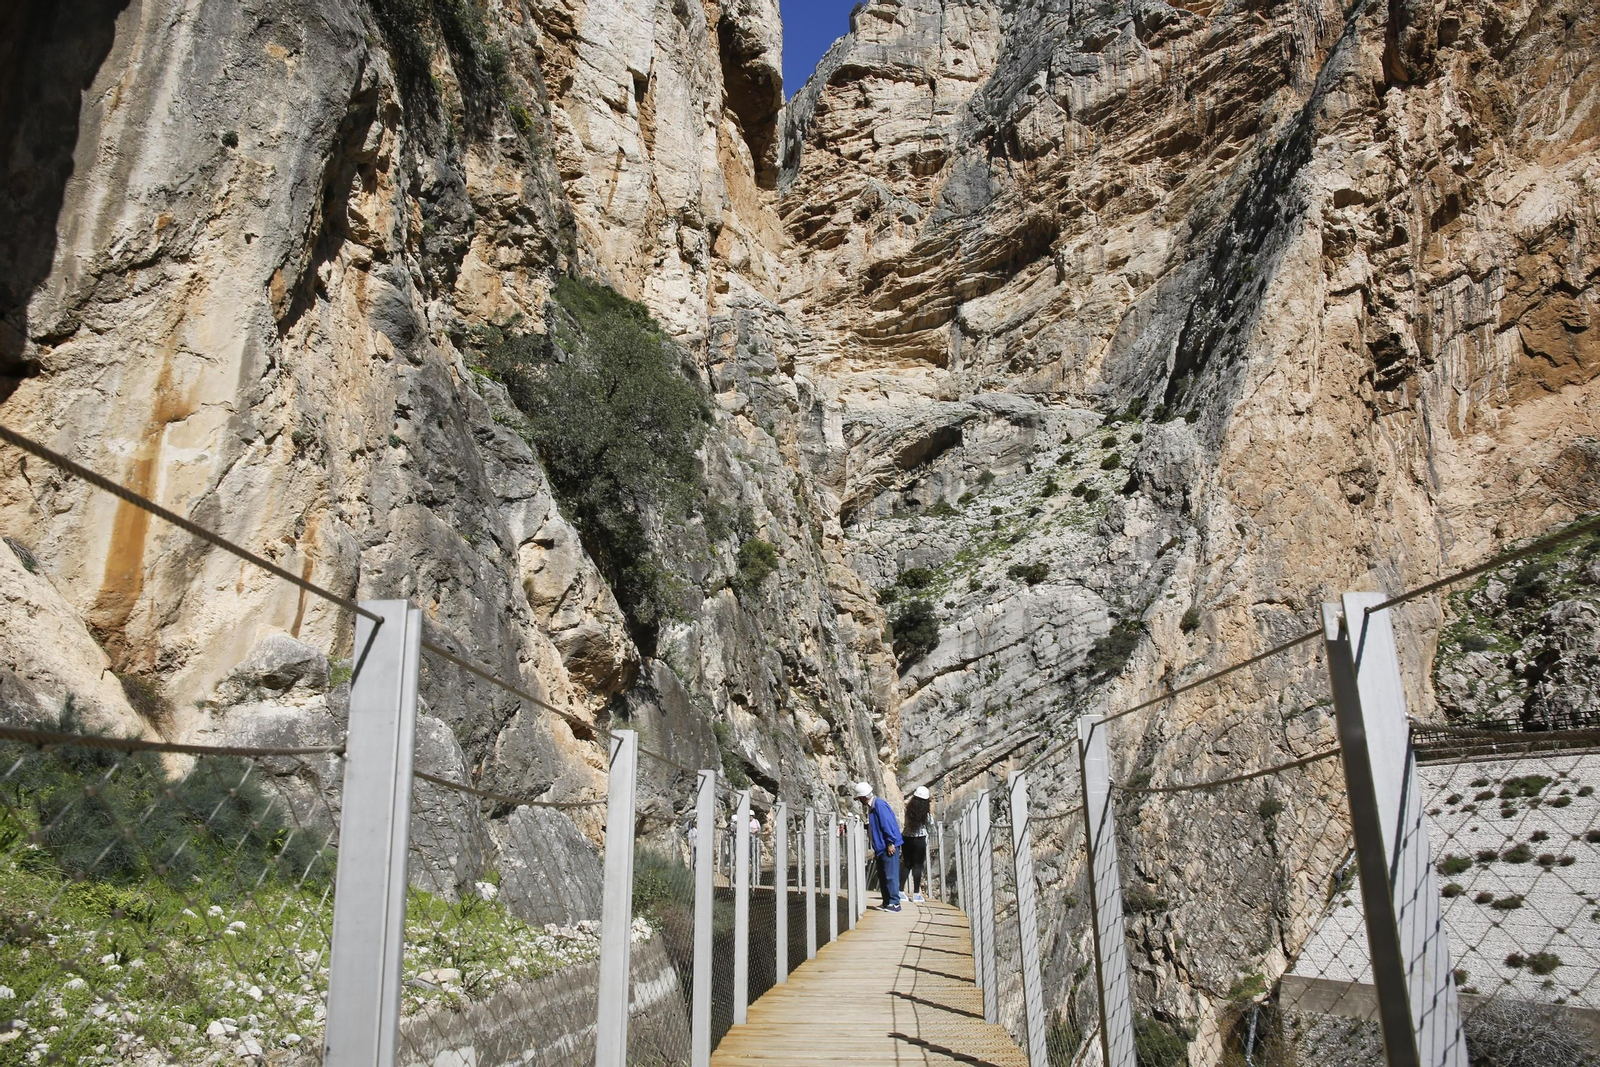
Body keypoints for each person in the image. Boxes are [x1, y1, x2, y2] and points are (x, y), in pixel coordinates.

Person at [855, 782, 903, 912]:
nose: (859, 801)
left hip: (887, 845)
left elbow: (887, 824)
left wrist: (890, 842)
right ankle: (887, 901)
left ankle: (895, 903)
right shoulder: (874, 807)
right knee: (883, 875)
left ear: (863, 797)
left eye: (859, 798)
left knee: (890, 875)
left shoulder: (879, 806)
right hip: (881, 846)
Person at [900, 786, 931, 903]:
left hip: (906, 838)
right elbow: (931, 826)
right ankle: (916, 894)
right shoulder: (925, 814)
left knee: (906, 864)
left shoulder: (908, 810)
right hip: (920, 839)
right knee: (918, 866)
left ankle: (900, 891)